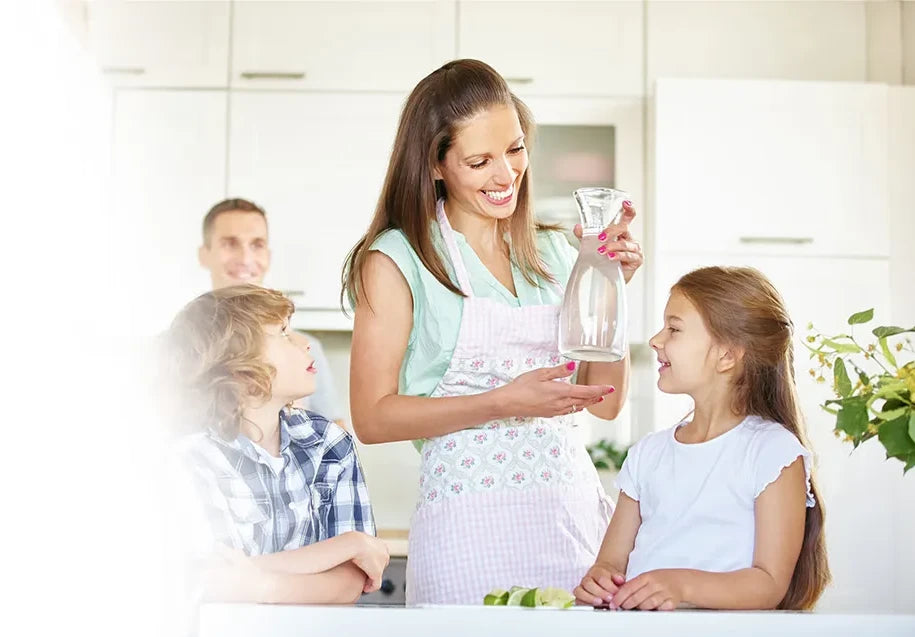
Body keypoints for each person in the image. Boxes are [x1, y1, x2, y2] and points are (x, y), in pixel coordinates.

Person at [342, 59, 644, 604]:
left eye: (516, 149)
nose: (506, 175)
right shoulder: (398, 260)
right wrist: (503, 402)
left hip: (571, 523)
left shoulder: (555, 251)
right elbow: (372, 416)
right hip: (466, 528)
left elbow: (606, 402)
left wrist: (610, 286)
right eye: (480, 161)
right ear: (436, 165)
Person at [575, 266, 831, 611]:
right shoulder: (648, 453)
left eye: (674, 329)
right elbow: (611, 562)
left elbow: (768, 583)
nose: (656, 340)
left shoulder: (772, 452)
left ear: (727, 355)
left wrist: (680, 585)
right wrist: (600, 577)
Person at [163, 285, 387, 604]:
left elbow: (351, 581)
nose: (305, 343)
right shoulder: (193, 458)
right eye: (283, 332)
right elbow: (210, 581)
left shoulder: (330, 445)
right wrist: (346, 545)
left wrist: (259, 586)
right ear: (235, 363)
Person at [197, 197, 345, 425]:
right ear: (204, 254)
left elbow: (336, 439)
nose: (245, 259)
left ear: (268, 255)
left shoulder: (307, 350)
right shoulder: (180, 347)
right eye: (230, 243)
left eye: (257, 245)